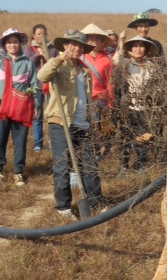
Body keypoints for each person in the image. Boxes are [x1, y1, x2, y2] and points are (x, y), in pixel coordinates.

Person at [37, 29, 106, 220]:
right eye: (72, 44)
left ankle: (96, 202)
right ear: (65, 46)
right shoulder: (58, 65)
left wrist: (92, 122)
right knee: (62, 165)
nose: (76, 48)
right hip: (61, 122)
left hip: (83, 124)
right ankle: (63, 207)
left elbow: (87, 98)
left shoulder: (84, 69)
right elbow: (42, 76)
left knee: (90, 165)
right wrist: (59, 59)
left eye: (80, 45)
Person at [0, 28, 40, 187]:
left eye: (15, 42)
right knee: (0, 138)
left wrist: (36, 104)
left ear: (20, 43)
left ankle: (18, 172)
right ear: (4, 44)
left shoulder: (28, 62)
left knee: (20, 139)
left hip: (21, 105)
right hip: (0, 104)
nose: (12, 45)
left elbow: (34, 85)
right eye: (9, 42)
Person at [112, 34, 160, 174]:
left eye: (141, 46)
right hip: (128, 107)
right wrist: (121, 42)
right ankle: (124, 166)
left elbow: (156, 87)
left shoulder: (152, 66)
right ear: (130, 49)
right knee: (126, 137)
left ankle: (141, 165)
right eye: (135, 46)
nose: (138, 49)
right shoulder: (126, 63)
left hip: (146, 108)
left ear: (146, 49)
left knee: (144, 138)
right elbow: (116, 61)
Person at [80, 23, 114, 157]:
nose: (94, 41)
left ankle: (99, 151)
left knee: (99, 126)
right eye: (90, 38)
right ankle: (89, 151)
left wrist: (111, 102)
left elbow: (111, 83)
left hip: (100, 99)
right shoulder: (80, 58)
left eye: (97, 39)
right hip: (82, 98)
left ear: (102, 42)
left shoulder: (107, 60)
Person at [23, 24, 58, 152]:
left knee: (52, 115)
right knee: (38, 115)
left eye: (43, 34)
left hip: (51, 87)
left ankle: (52, 141)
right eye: (38, 34)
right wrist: (39, 55)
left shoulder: (53, 48)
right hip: (36, 86)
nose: (41, 36)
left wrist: (47, 54)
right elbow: (27, 64)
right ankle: (38, 143)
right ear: (34, 35)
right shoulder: (29, 49)